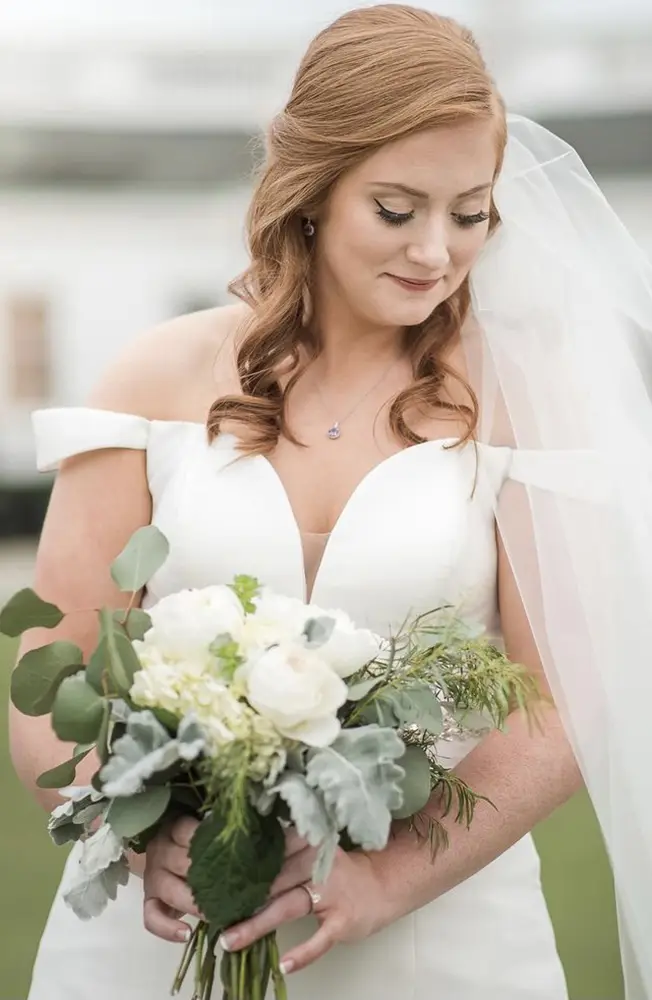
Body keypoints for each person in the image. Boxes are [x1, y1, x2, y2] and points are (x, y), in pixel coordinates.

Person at [10, 5, 652, 999]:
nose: (436, 251)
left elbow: (560, 698)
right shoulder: (154, 374)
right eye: (396, 210)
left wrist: (389, 876)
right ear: (311, 192)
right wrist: (143, 837)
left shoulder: (525, 399)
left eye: (469, 211)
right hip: (154, 948)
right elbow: (53, 657)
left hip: (440, 940)